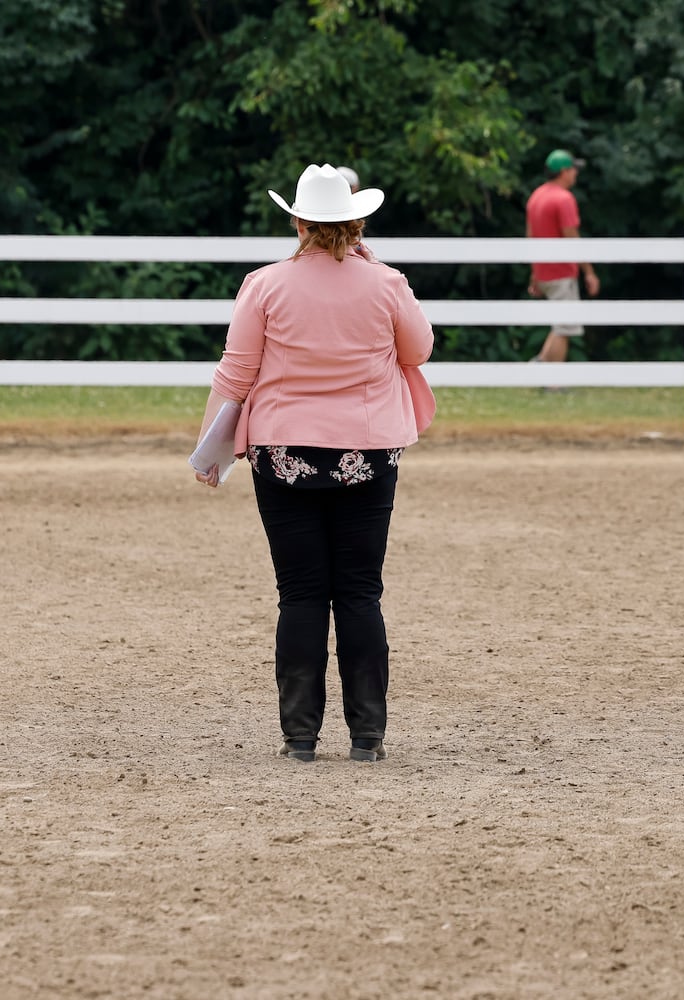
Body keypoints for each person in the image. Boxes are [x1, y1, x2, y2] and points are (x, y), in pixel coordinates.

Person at [192, 163, 435, 764]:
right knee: (359, 594)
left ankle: (300, 735)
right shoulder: (386, 282)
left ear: (298, 221)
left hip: (283, 452)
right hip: (367, 451)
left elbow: (237, 372)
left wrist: (209, 447)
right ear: (357, 222)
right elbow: (420, 349)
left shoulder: (264, 284)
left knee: (299, 594)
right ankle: (367, 735)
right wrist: (374, 269)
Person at [525, 149, 600, 363]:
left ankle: (538, 366)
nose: (576, 173)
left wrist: (534, 273)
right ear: (564, 172)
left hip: (543, 272)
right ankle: (553, 381)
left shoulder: (536, 196)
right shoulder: (564, 199)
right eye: (573, 169)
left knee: (560, 325)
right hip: (561, 272)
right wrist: (589, 272)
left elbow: (530, 237)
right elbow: (572, 238)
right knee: (564, 327)